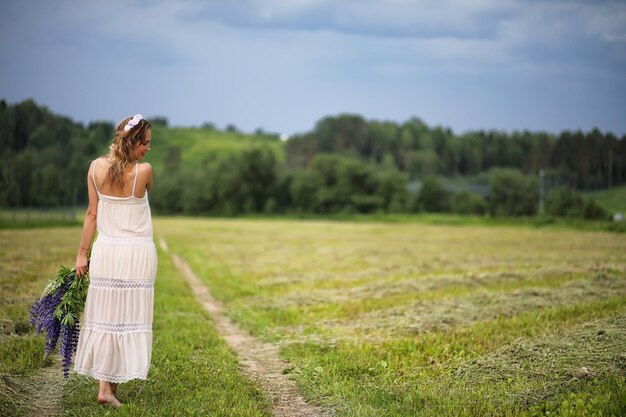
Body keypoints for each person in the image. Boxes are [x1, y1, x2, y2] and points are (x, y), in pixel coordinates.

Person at [73, 114, 157, 407]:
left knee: (107, 316)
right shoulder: (143, 172)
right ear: (132, 143)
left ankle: (105, 388)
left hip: (107, 252)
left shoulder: (95, 168)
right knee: (127, 317)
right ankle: (109, 389)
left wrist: (82, 253)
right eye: (145, 143)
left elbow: (92, 215)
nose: (148, 149)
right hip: (136, 254)